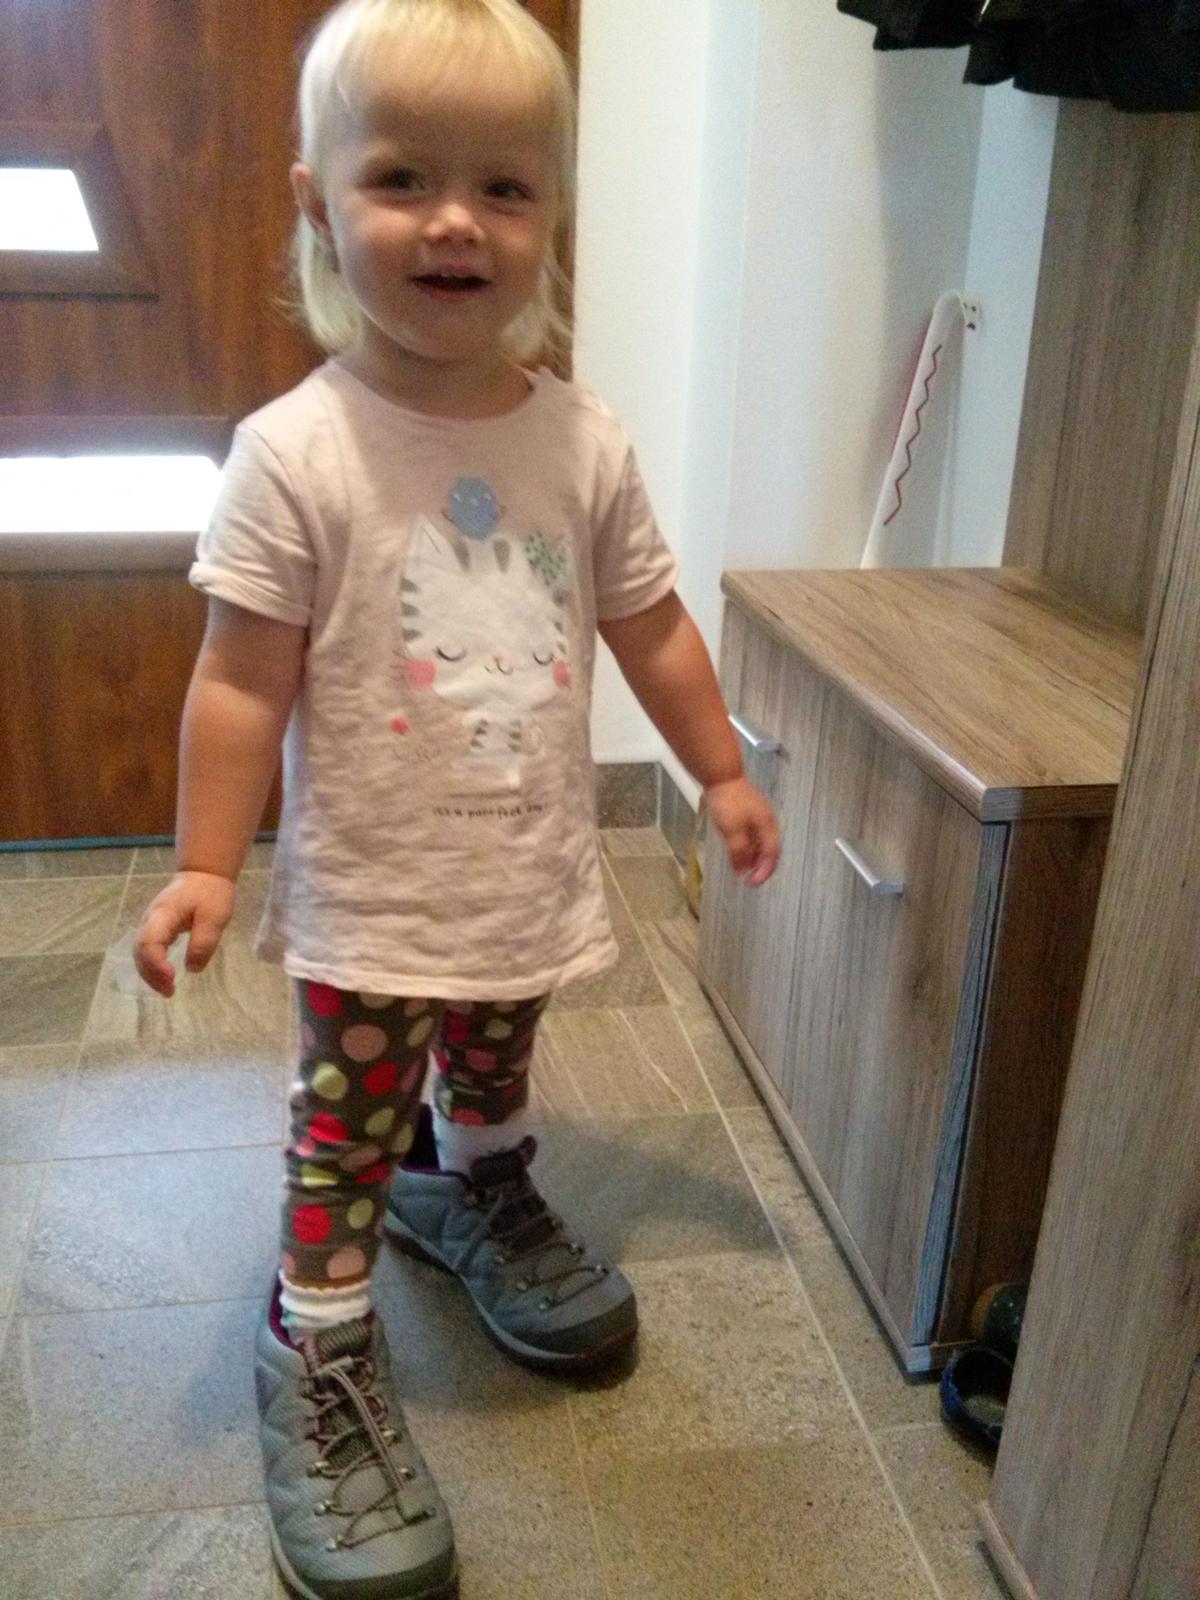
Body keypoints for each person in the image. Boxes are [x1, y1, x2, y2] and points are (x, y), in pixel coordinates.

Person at [134, 2, 780, 1595]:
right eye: (403, 177)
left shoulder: (583, 440)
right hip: (371, 890)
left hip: (524, 867)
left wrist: (716, 766)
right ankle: (315, 1339)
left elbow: (650, 622)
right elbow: (239, 681)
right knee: (346, 1123)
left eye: (503, 187)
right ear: (317, 204)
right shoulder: (297, 453)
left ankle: (476, 1187)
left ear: (552, 217)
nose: (453, 222)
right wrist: (207, 862)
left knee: (495, 1053)